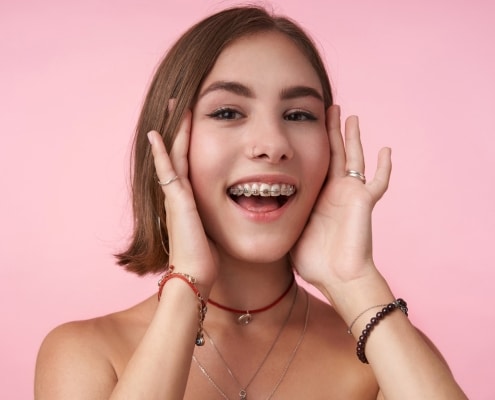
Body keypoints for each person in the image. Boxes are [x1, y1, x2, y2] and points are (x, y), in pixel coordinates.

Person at [34, 5, 467, 399]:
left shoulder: (383, 356)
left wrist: (353, 283)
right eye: (227, 112)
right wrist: (187, 287)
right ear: (168, 142)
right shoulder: (85, 354)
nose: (272, 145)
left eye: (299, 115)